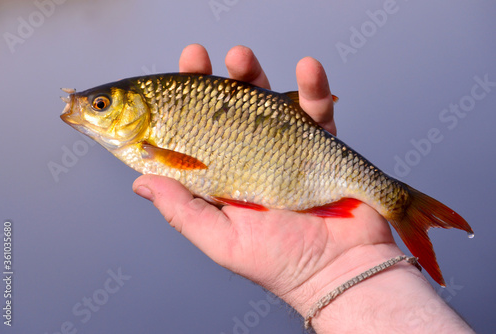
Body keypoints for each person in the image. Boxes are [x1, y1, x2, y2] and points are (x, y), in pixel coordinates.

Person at [132, 44, 473, 333]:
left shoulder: (146, 146)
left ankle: (401, 207)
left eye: (101, 105)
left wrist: (350, 269)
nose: (91, 110)